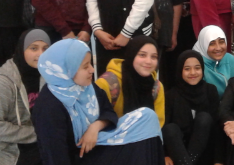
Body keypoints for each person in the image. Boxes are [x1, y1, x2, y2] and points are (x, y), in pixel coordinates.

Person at [32, 39, 164, 165]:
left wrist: (95, 127)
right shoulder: (49, 106)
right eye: (85, 67)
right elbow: (55, 157)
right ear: (67, 70)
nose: (92, 70)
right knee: (137, 148)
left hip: (99, 144)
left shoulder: (86, 87)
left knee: (147, 117)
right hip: (79, 158)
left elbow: (109, 112)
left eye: (90, 64)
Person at [0, 29, 50, 165]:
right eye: (33, 48)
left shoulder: (48, 75)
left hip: (32, 139)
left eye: (46, 49)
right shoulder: (3, 82)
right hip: (4, 147)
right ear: (22, 50)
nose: (41, 54)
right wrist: (37, 133)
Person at [162, 50, 219, 165]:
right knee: (170, 128)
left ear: (202, 69)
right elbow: (163, 128)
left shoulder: (210, 91)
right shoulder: (170, 95)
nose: (193, 72)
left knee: (204, 118)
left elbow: (217, 126)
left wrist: (219, 160)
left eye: (197, 68)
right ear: (180, 71)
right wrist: (165, 155)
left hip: (205, 150)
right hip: (178, 152)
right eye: (187, 69)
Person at [95, 36, 165, 128]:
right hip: (112, 137)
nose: (148, 61)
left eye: (154, 57)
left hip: (145, 137)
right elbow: (95, 118)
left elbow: (157, 124)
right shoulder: (107, 83)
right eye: (142, 55)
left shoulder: (156, 87)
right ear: (131, 54)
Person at [192, 25, 234, 98]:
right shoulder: (196, 63)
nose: (218, 48)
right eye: (212, 43)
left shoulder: (229, 59)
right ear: (204, 44)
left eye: (221, 42)